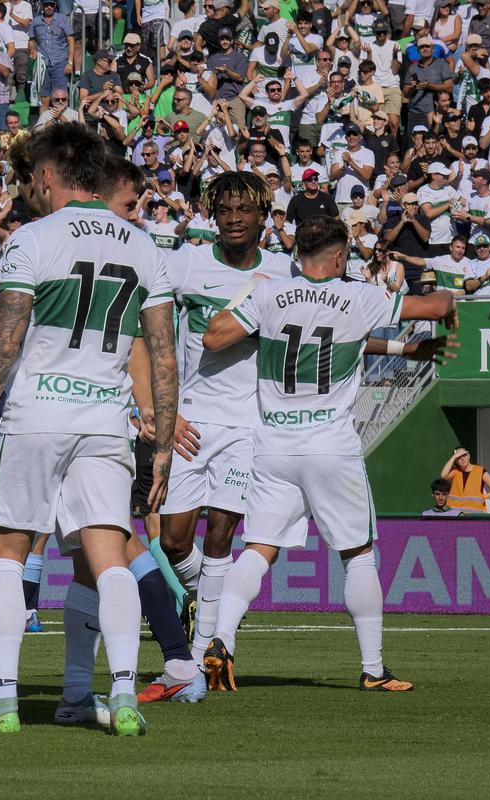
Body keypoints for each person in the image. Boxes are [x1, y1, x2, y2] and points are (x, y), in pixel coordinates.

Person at [0, 123, 178, 735]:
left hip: (36, 417)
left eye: (30, 181)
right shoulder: (141, 245)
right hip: (105, 422)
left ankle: (2, 700)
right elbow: (162, 352)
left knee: (6, 552)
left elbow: (6, 334)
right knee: (111, 559)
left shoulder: (34, 238)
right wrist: (160, 443)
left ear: (47, 176)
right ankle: (123, 694)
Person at [201, 214, 462, 693]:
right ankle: (374, 669)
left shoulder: (269, 293)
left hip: (274, 443)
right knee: (358, 554)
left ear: (299, 253)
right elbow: (435, 301)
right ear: (340, 256)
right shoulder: (361, 297)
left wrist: (252, 303)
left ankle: (219, 641)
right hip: (329, 444)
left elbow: (214, 336)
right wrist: (445, 309)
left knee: (259, 548)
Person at [158, 172, 299, 667]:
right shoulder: (186, 263)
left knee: (221, 534)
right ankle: (207, 602)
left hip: (249, 423)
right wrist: (161, 409)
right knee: (172, 539)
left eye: (244, 211)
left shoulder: (286, 272)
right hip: (191, 421)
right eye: (225, 211)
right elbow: (146, 321)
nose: (234, 220)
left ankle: (201, 656)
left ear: (264, 215)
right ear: (213, 216)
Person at [440, 447, 490, 512]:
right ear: (456, 461)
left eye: (464, 455)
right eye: (458, 457)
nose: (462, 458)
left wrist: (482, 497)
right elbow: (443, 475)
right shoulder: (455, 472)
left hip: (475, 515)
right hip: (455, 514)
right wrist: (453, 457)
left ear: (468, 456)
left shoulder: (480, 471)